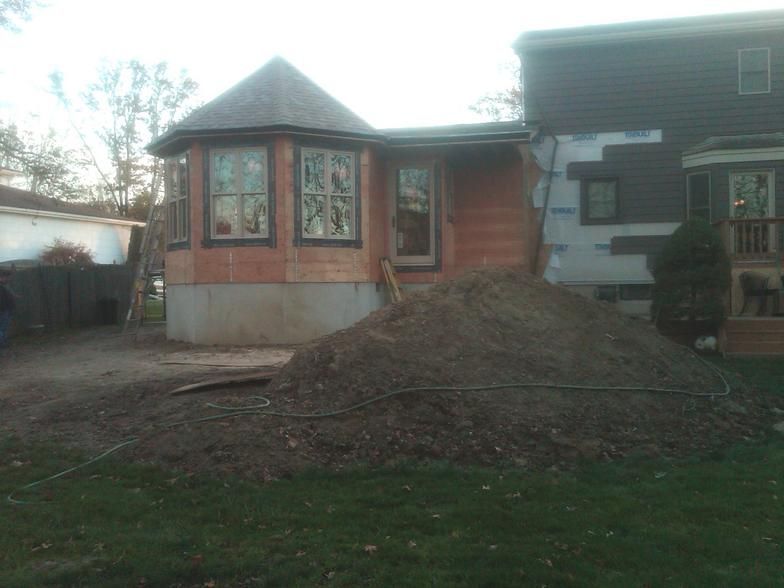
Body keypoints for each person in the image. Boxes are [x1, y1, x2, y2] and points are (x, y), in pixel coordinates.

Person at [0, 269, 16, 349]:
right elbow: (2, 299)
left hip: (5, 309)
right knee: (2, 329)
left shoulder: (4, 286)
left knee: (3, 328)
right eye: (7, 277)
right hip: (3, 310)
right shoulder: (2, 286)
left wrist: (13, 296)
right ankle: (2, 344)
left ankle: (3, 343)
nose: (8, 279)